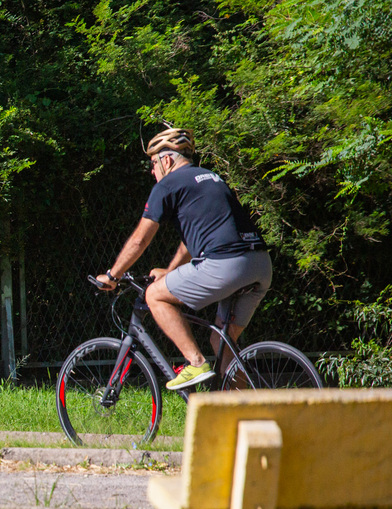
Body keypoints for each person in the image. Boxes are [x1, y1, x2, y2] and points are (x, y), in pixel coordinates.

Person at [96, 128, 272, 390]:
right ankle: (248, 411)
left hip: (225, 264)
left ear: (166, 160)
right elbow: (193, 240)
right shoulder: (212, 178)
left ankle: (195, 362)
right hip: (259, 264)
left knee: (154, 295)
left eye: (153, 164)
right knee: (221, 342)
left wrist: (113, 275)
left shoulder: (168, 184)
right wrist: (170, 271)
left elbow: (140, 240)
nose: (153, 172)